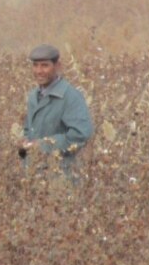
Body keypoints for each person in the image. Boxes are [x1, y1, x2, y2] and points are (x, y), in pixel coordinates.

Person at [19, 44, 94, 177]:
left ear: (58, 66)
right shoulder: (33, 96)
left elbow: (80, 135)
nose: (39, 71)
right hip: (34, 174)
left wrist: (42, 145)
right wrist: (24, 142)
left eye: (44, 65)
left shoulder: (70, 97)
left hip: (62, 175)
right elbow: (28, 129)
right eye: (35, 65)